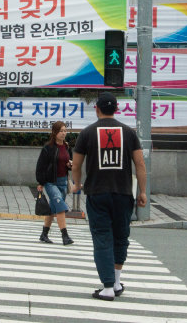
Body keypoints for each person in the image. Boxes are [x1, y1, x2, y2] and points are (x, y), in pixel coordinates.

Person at [71, 92, 147, 301]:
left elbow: (76, 165)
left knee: (102, 238)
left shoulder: (87, 133)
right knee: (121, 237)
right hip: (123, 193)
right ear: (116, 109)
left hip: (97, 193)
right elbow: (140, 164)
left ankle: (106, 288)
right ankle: (115, 282)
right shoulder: (128, 133)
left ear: (97, 108)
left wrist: (77, 184)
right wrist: (142, 191)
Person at [35, 120, 74, 246]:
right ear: (54, 132)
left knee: (53, 208)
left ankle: (44, 234)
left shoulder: (67, 147)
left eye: (65, 131)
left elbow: (70, 163)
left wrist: (70, 165)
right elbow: (41, 166)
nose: (63, 133)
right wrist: (41, 182)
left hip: (63, 181)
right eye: (60, 131)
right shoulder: (48, 148)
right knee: (61, 207)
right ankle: (65, 236)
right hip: (51, 182)